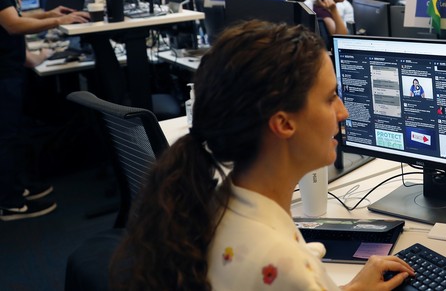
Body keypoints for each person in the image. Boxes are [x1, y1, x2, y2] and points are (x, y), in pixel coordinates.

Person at [111, 20, 414, 289]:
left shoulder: (214, 201)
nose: (343, 112)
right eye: (330, 97)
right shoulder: (284, 267)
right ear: (283, 123)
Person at [0, 0, 89, 221]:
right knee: (7, 136)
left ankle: (15, 188)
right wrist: (55, 24)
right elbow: (13, 25)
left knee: (14, 133)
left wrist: (51, 14)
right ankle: (10, 203)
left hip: (10, 70)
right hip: (4, 73)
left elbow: (16, 17)